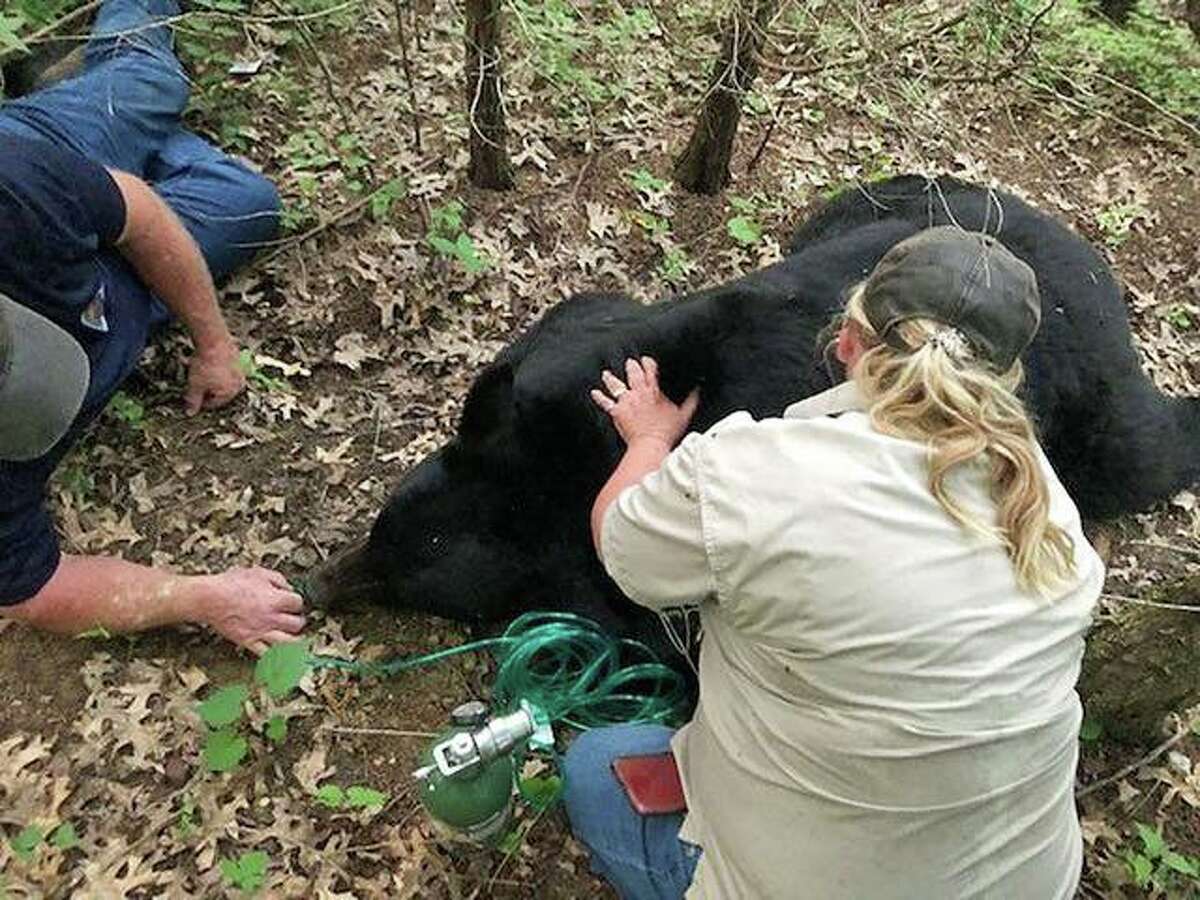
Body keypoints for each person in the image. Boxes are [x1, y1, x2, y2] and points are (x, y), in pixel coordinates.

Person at [565, 227, 1104, 899]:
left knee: (595, 767)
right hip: (1031, 884)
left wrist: (648, 439)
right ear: (1003, 382)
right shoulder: (1050, 517)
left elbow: (623, 543)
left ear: (848, 340)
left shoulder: (756, 474)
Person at [0, 0, 306, 654]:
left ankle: (119, 56)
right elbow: (35, 590)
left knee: (148, 83)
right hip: (94, 254)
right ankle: (104, 123)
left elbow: (137, 214)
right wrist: (202, 597)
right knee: (246, 203)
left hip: (45, 160)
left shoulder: (11, 192)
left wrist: (216, 345)